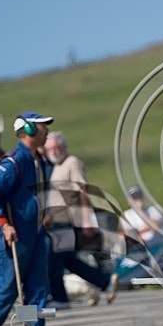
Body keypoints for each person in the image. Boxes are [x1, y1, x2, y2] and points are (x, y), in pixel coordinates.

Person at [0, 112, 53, 326]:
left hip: (36, 233)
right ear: (30, 130)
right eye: (43, 127)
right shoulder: (13, 161)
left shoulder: (38, 160)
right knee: (9, 290)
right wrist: (4, 223)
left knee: (37, 288)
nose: (48, 131)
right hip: (14, 236)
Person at [43, 131, 118, 309]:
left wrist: (87, 219)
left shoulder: (72, 163)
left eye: (58, 147)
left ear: (65, 147)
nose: (55, 151)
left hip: (68, 220)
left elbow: (83, 191)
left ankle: (60, 298)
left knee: (54, 259)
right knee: (67, 260)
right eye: (51, 148)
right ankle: (105, 281)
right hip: (56, 221)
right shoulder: (56, 166)